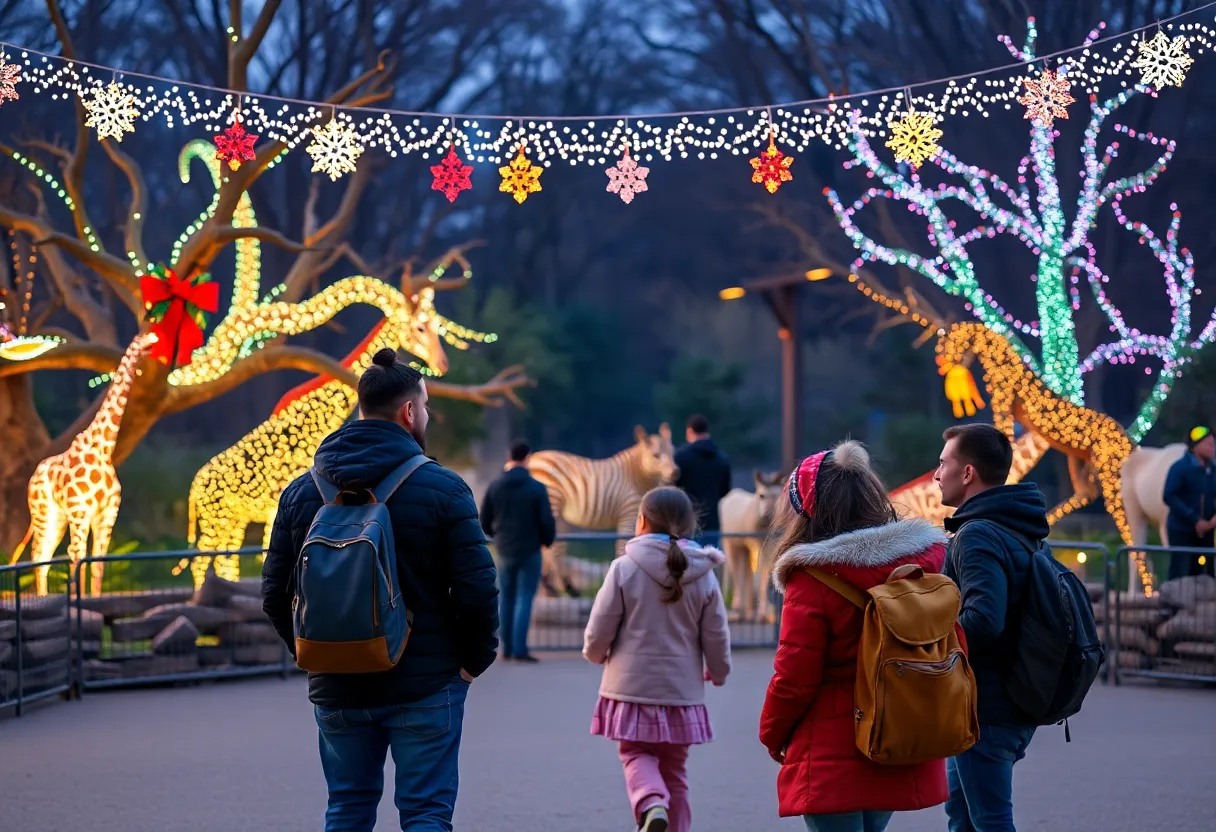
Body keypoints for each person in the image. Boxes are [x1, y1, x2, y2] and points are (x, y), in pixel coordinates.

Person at [262, 348, 499, 832]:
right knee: (426, 813)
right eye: (426, 406)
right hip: (427, 683)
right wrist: (474, 662)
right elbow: (477, 589)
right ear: (409, 412)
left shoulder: (300, 492)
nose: (426, 415)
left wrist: (316, 653)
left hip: (337, 686)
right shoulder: (444, 488)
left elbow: (273, 593)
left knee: (347, 809)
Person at [760, 440, 950, 832]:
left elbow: (794, 676)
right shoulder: (924, 562)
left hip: (832, 744)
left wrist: (772, 732)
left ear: (808, 511)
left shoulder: (813, 578)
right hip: (899, 731)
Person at [583, 486, 732, 832]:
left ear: (641, 522)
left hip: (630, 688)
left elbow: (600, 625)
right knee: (676, 772)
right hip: (682, 693)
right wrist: (719, 671)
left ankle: (651, 802)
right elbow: (716, 634)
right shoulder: (704, 572)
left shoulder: (624, 568)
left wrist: (595, 653)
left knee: (635, 753)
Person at [935, 423, 1047, 832]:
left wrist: (930, 645)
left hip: (986, 708)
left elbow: (984, 619)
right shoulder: (1020, 525)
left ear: (967, 474)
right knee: (963, 818)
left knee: (990, 822)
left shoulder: (978, 533)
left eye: (943, 463)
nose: (936, 473)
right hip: (1009, 699)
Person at [480, 440, 557, 663]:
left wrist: (497, 537)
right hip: (530, 550)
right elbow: (546, 522)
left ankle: (506, 649)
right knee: (524, 598)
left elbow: (484, 519)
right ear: (528, 458)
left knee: (506, 597)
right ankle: (520, 649)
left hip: (504, 550)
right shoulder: (536, 488)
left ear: (508, 456)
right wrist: (546, 541)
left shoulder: (495, 486)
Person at [1162, 425, 1216, 579]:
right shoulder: (1180, 468)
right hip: (1182, 531)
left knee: (1204, 572)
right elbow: (1169, 495)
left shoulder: (1213, 471)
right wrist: (1195, 519)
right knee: (1179, 572)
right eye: (1209, 444)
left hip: (1206, 533)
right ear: (1195, 446)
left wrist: (1211, 522)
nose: (1213, 448)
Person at [673, 415, 732, 545]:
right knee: (708, 563)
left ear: (689, 432)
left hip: (686, 523)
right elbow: (725, 490)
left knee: (685, 563)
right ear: (707, 431)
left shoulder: (680, 457)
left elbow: (673, 487)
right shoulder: (722, 459)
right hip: (712, 524)